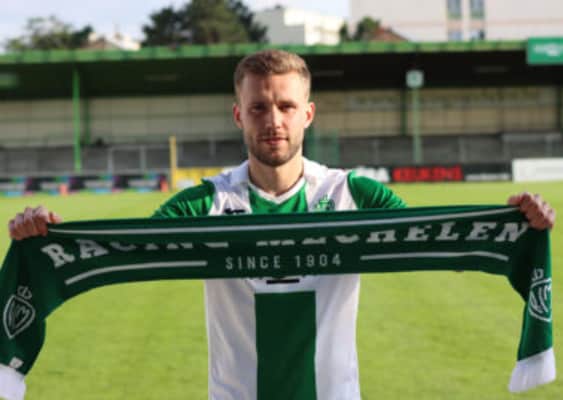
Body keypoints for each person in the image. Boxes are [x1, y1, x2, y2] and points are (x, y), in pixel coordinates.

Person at [7, 50, 556, 399]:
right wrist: (46, 235)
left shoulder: (352, 194)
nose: (274, 120)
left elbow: (442, 241)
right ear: (238, 114)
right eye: (259, 108)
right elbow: (125, 249)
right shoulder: (206, 202)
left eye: (287, 106)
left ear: (307, 113)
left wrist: (516, 222)